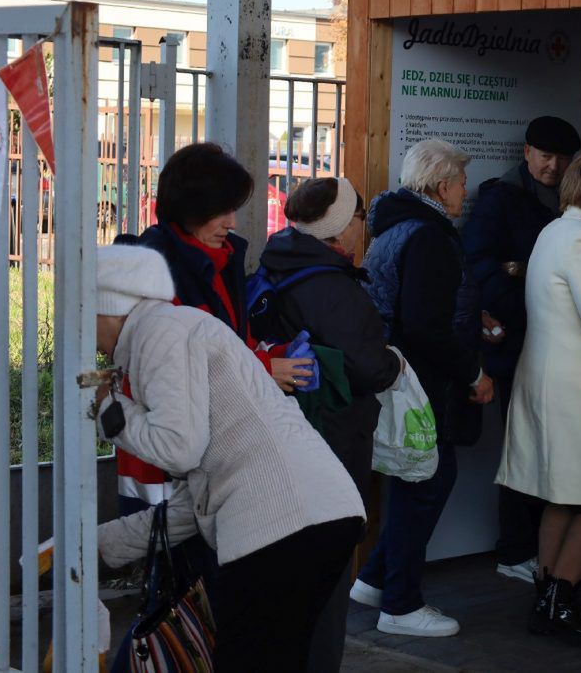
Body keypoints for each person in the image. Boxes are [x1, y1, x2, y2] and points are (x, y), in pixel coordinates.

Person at [92, 244, 365, 670]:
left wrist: (108, 410)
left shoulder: (157, 334)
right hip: (323, 516)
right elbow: (196, 500)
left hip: (279, 527)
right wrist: (100, 546)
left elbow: (178, 448)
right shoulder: (174, 329)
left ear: (104, 307)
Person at [348, 138, 496, 637]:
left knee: (420, 481)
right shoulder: (430, 237)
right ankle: (402, 605)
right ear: (440, 186)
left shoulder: (398, 229)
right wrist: (473, 373)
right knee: (425, 485)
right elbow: (426, 325)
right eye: (459, 183)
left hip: (405, 379)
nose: (464, 191)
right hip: (425, 385)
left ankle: (373, 580)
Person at [256, 177, 403, 672]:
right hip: (330, 443)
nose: (364, 226)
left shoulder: (278, 261)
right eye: (360, 216)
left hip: (280, 436)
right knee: (327, 572)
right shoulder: (330, 286)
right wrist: (394, 365)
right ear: (343, 228)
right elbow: (367, 366)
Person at [120, 143, 311, 517]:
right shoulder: (155, 273)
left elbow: (229, 340)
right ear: (190, 207)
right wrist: (260, 370)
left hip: (212, 453)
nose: (233, 222)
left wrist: (272, 354)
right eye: (221, 211)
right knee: (174, 563)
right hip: (168, 466)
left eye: (233, 209)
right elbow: (174, 371)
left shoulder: (222, 259)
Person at [496, 150, 581, 641]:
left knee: (564, 495)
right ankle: (562, 596)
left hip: (553, 379)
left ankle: (546, 593)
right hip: (575, 388)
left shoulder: (557, 230)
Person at [462, 115, 581, 583]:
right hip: (516, 343)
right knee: (524, 447)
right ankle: (514, 550)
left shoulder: (562, 200)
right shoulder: (501, 198)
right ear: (527, 152)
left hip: (549, 342)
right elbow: (477, 263)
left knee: (541, 446)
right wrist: (522, 300)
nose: (552, 166)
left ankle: (528, 548)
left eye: (561, 158)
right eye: (545, 156)